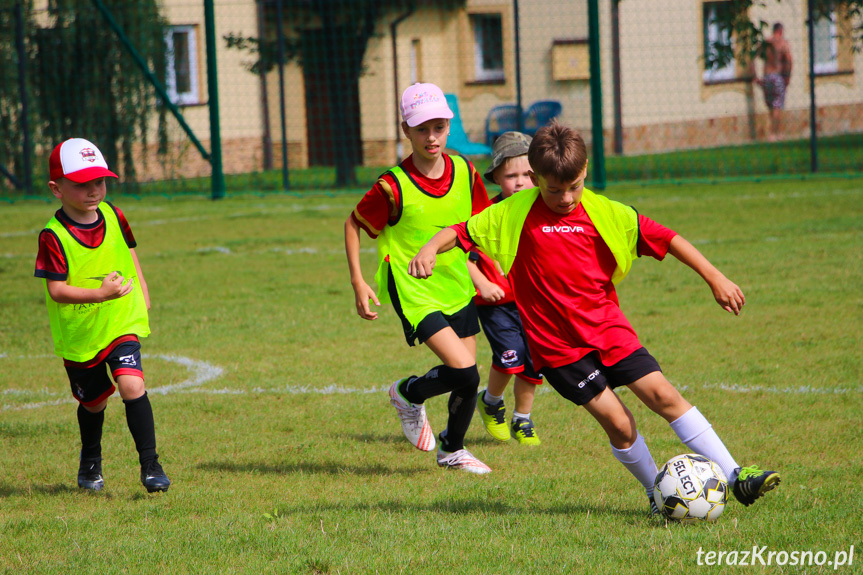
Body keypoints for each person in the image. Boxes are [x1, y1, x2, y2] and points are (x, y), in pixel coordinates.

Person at [408, 123, 781, 512]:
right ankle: (657, 496)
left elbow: (668, 238)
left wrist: (715, 277)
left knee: (664, 396)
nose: (566, 197)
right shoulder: (511, 214)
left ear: (585, 171)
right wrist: (431, 247)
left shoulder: (606, 214)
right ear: (535, 179)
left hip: (609, 330)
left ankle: (737, 476)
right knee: (619, 424)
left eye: (575, 186)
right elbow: (460, 231)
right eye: (554, 190)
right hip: (558, 348)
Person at [344, 83, 493, 474]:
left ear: (449, 127)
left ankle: (452, 450)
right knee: (464, 370)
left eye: (439, 127)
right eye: (422, 128)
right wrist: (359, 282)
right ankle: (408, 393)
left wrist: (480, 272)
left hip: (456, 282)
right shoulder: (391, 186)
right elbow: (353, 224)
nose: (432, 137)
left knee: (466, 380)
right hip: (412, 289)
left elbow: (479, 225)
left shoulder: (464, 171)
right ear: (406, 130)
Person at [34, 138, 170, 493]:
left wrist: (141, 287)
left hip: (120, 318)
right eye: (82, 184)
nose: (95, 190)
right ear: (57, 189)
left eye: (100, 181)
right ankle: (90, 462)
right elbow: (56, 290)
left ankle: (151, 465)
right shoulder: (54, 236)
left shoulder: (113, 214)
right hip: (81, 333)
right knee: (93, 403)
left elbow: (128, 251)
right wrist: (98, 293)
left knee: (132, 384)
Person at [468, 132, 544, 446]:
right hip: (496, 303)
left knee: (534, 361)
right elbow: (462, 255)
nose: (521, 182)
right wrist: (482, 282)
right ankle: (490, 400)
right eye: (511, 175)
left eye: (528, 174)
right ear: (497, 177)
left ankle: (522, 420)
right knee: (511, 356)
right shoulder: (487, 216)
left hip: (536, 302)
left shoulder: (544, 211)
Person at [756, 22, 793, 142]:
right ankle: (775, 133)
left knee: (770, 106)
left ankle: (772, 133)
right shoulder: (783, 43)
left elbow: (752, 58)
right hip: (777, 77)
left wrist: (755, 77)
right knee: (777, 106)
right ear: (781, 31)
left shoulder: (766, 43)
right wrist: (787, 77)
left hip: (766, 76)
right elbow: (789, 60)